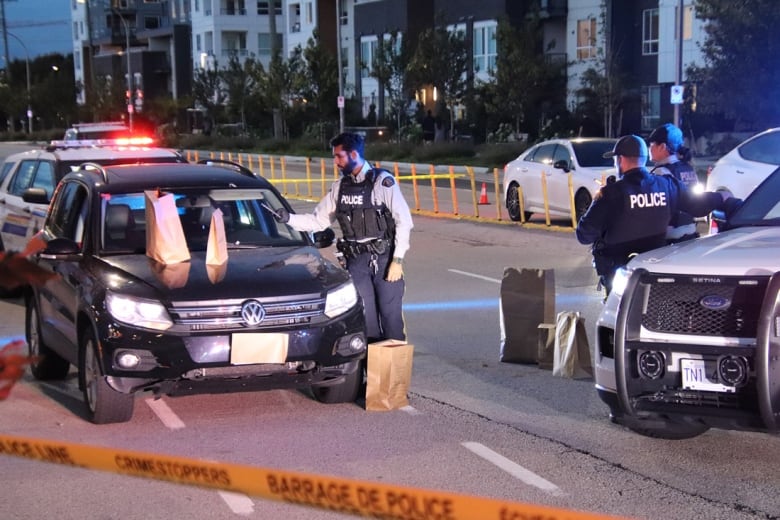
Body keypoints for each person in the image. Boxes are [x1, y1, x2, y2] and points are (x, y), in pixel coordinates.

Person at [272, 132, 413, 341]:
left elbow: (404, 221)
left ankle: (394, 373)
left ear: (354, 154)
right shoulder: (340, 187)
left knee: (391, 320)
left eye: (339, 156)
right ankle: (372, 372)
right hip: (356, 262)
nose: (336, 162)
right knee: (367, 323)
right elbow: (318, 221)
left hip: (385, 261)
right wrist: (289, 219)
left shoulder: (382, 182)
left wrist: (397, 260)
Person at [576, 134, 733, 295]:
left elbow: (584, 234)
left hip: (621, 275)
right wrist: (721, 197)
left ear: (620, 160)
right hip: (655, 272)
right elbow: (698, 204)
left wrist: (597, 201)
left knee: (618, 316)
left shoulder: (611, 193)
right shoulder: (666, 185)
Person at [648, 123, 699, 243]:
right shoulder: (688, 168)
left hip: (669, 236)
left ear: (662, 147)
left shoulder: (662, 172)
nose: (649, 148)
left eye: (651, 144)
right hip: (690, 231)